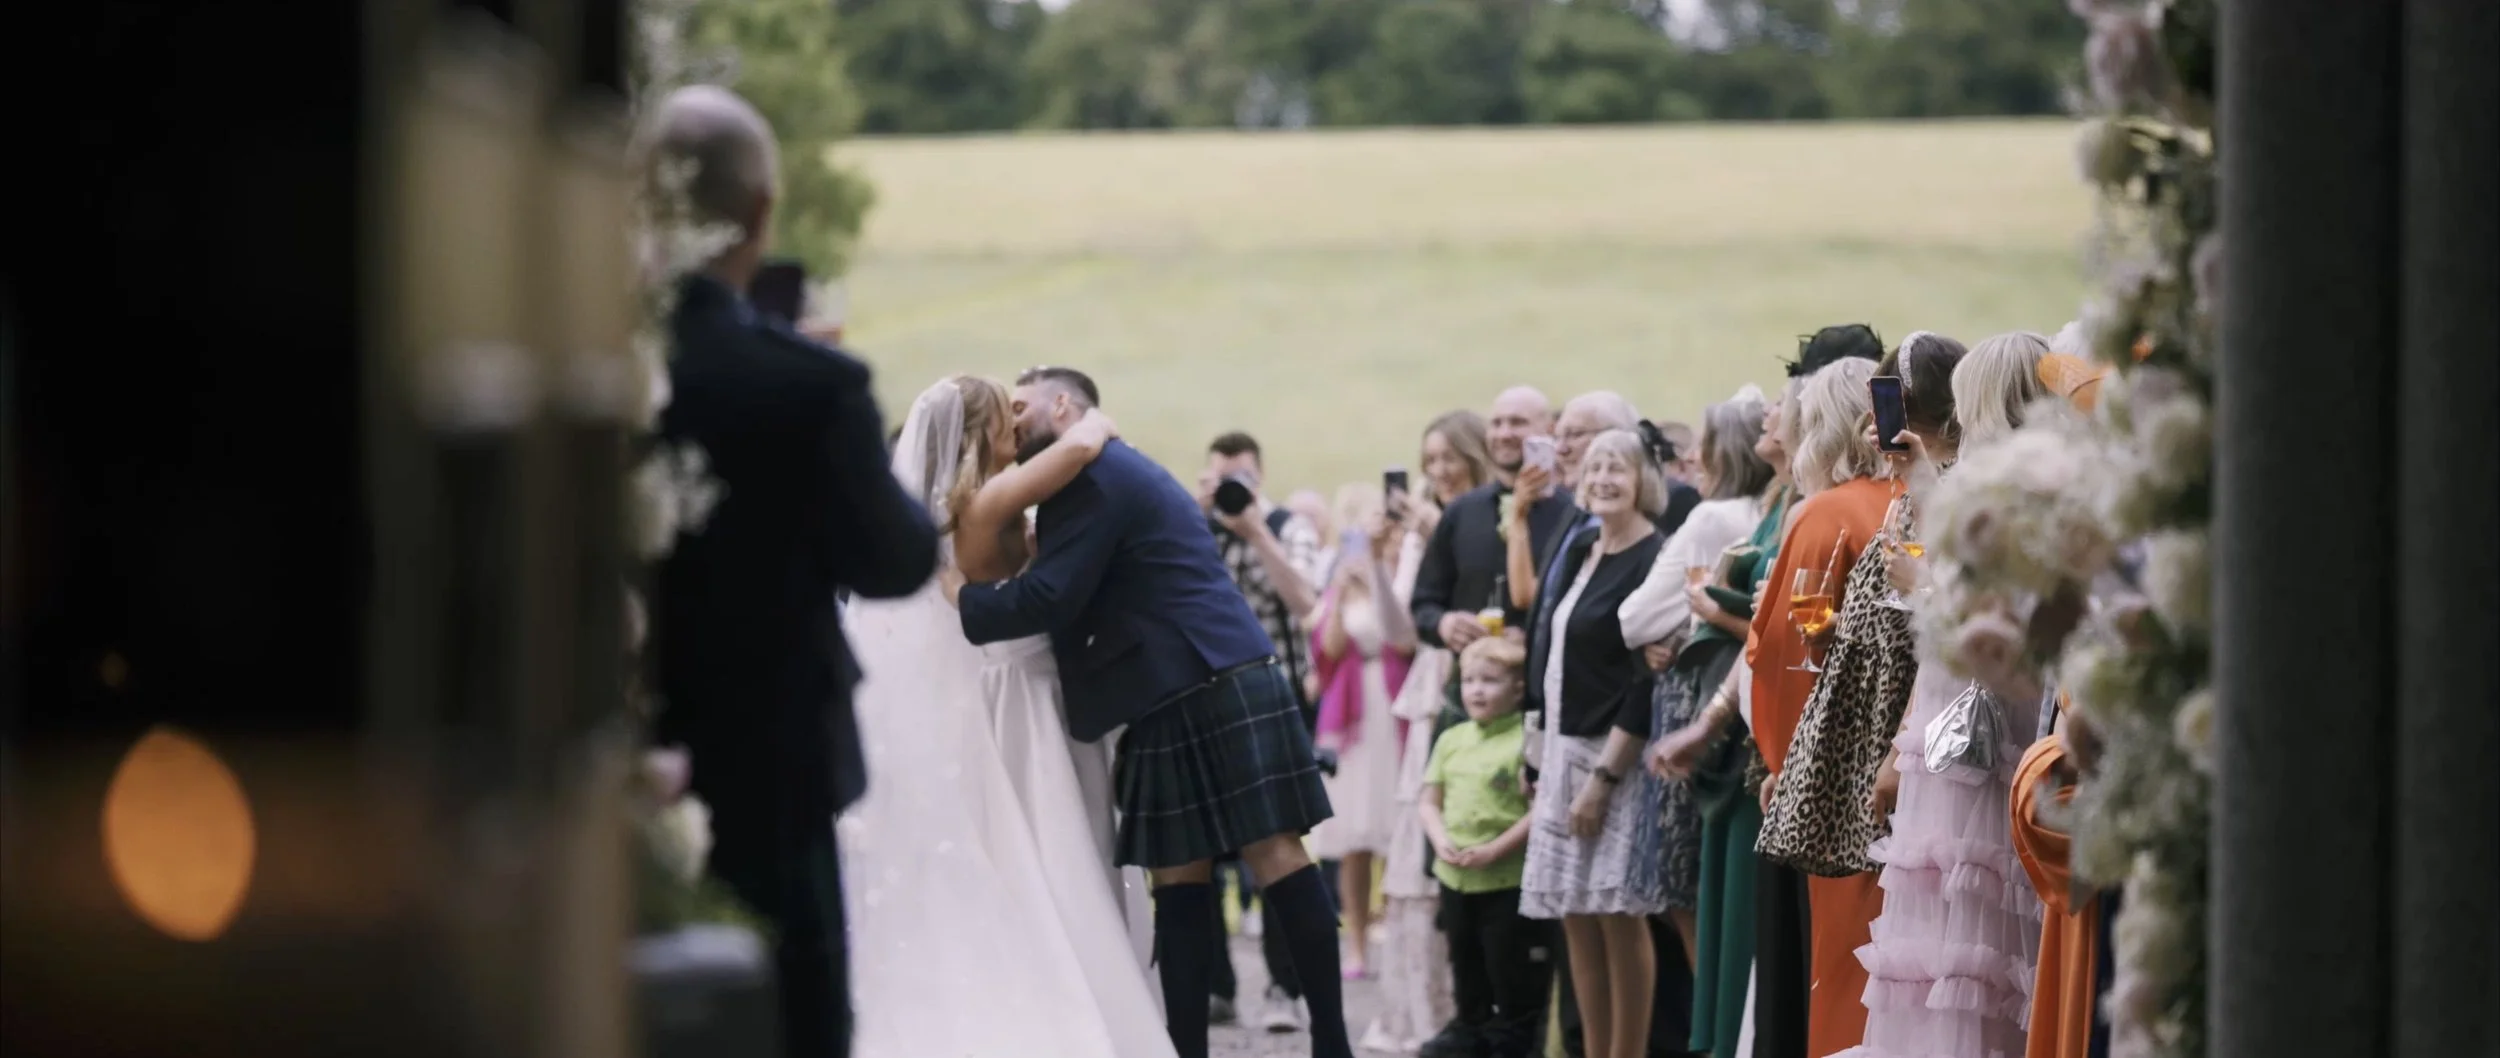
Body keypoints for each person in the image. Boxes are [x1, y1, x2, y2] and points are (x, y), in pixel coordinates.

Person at [639, 85, 940, 1058]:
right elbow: (894, 558)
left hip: (590, 763)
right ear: (762, 211)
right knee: (794, 1019)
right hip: (770, 763)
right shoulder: (810, 386)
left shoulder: (578, 360)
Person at [948, 366, 1357, 1058]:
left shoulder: (1095, 478)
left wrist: (958, 596)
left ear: (1063, 404)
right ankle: (1187, 1047)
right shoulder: (1084, 476)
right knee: (1179, 878)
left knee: (1275, 855)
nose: (1010, 420)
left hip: (1207, 678)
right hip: (1175, 687)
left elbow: (1048, 599)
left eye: (1020, 406)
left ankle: (1332, 1045)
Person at [839, 375, 1176, 1058]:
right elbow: (1079, 446)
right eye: (1005, 416)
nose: (1017, 427)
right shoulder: (989, 501)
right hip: (1029, 692)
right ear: (976, 433)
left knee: (1035, 849)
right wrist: (1091, 421)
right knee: (1062, 850)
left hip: (1006, 687)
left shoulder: (960, 507)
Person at [1519, 429, 1672, 1058]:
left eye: (1618, 468)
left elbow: (1645, 680)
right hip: (1561, 748)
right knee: (1575, 915)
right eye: (1595, 467)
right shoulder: (1582, 545)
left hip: (1613, 757)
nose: (1604, 479)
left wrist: (1604, 779)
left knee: (1617, 914)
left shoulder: (1652, 555)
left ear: (1643, 481)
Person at [1195, 429, 1331, 1031]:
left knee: (1278, 847)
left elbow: (1308, 605)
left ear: (1261, 477)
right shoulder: (1194, 528)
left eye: (1242, 478)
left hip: (1275, 702)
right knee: (1199, 851)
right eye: (1222, 478)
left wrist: (1255, 532)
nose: (1232, 489)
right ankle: (1215, 987)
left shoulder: (1285, 526)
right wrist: (1198, 516)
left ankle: (1284, 986)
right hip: (1202, 703)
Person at [1418, 636, 1551, 1058]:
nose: (1476, 690)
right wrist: (1440, 840)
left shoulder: (1525, 741)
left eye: (1490, 681)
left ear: (1517, 689)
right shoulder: (1452, 738)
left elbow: (1539, 809)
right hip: (1456, 877)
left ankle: (1512, 1032)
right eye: (1469, 680)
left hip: (1505, 878)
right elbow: (1428, 800)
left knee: (1507, 962)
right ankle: (1469, 1025)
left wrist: (1496, 850)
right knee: (1464, 956)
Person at [1308, 484, 1419, 981]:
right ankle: (1355, 942)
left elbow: (1406, 639)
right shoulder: (1343, 585)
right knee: (1353, 833)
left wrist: (1375, 579)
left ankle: (1396, 935)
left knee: (1396, 829)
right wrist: (1339, 593)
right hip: (1350, 713)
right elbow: (1328, 651)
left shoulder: (1400, 577)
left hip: (1394, 705)